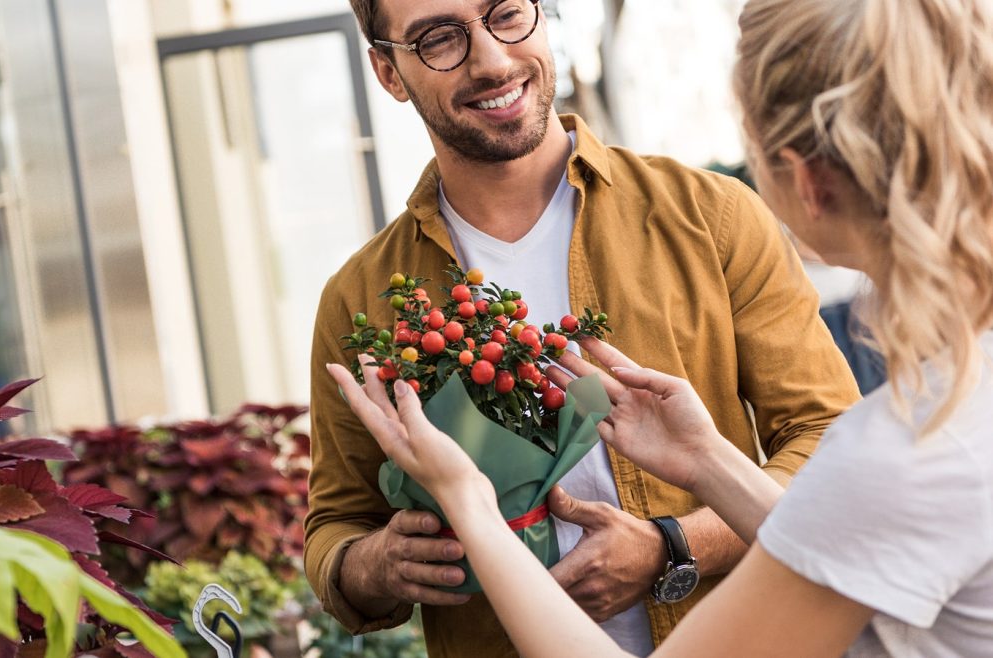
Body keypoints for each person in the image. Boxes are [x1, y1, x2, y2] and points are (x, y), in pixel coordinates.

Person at [327, 0, 993, 655]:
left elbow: (843, 490)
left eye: (506, 13)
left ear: (807, 180)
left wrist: (476, 507)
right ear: (387, 70)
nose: (493, 58)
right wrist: (707, 462)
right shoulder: (942, 417)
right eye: (440, 38)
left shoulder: (899, 448)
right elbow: (842, 539)